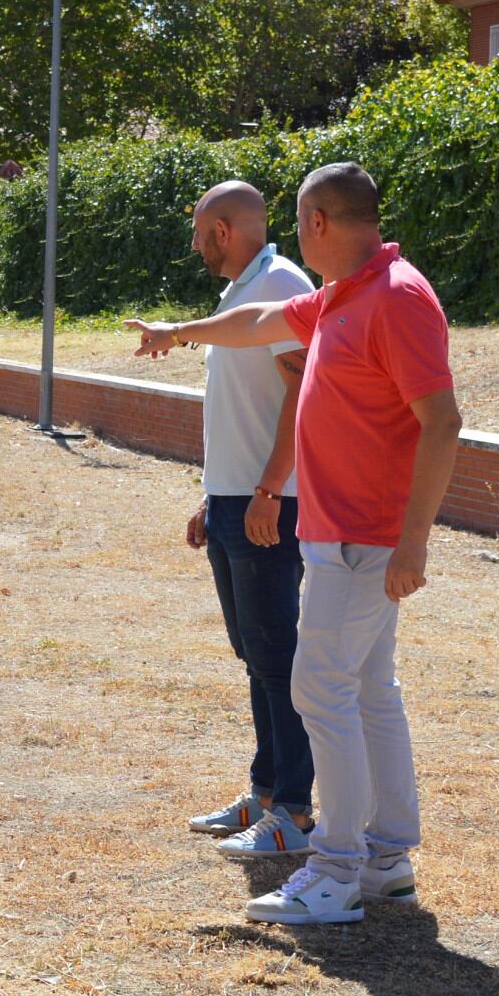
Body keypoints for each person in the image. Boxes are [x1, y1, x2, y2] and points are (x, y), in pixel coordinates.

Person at [129, 163, 463, 926]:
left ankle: (337, 868)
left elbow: (442, 420)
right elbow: (255, 325)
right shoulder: (346, 293)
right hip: (338, 534)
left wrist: (414, 542)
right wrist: (178, 333)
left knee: (319, 691)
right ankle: (385, 862)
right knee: (370, 693)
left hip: (361, 538)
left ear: (317, 223)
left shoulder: (398, 296)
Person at [175, 181, 318, 862]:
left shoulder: (281, 283)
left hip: (271, 502)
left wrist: (266, 489)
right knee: (254, 652)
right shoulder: (242, 290)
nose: (194, 242)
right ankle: (264, 794)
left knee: (276, 654)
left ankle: (293, 806)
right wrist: (216, 495)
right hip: (236, 499)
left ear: (225, 230)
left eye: (201, 229)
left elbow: (301, 389)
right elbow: (243, 406)